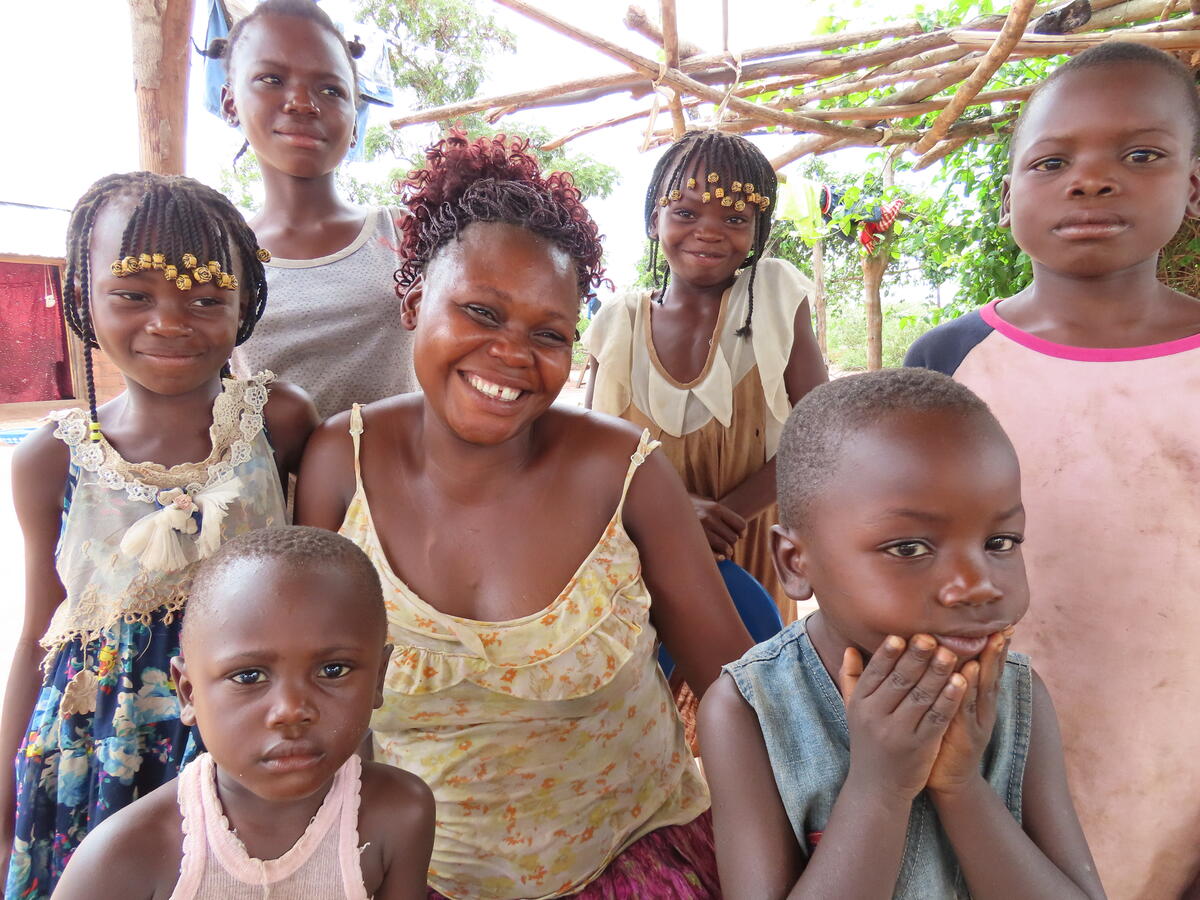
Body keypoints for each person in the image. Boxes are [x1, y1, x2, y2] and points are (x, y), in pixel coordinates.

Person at [296, 131, 753, 899]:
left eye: (549, 334)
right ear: (413, 305)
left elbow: (739, 691)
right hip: (415, 879)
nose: (512, 354)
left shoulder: (623, 472)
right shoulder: (343, 461)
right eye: (481, 311)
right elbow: (307, 695)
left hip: (633, 858)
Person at [903, 42, 1200, 898]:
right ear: (1008, 200)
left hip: (1169, 762)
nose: (1093, 179)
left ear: (1191, 185)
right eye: (1052, 160)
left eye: (1139, 154)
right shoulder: (950, 362)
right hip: (974, 757)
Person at [0, 172, 319, 898]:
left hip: (249, 739)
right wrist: (3, 811)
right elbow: (34, 633)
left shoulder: (280, 425)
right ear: (84, 295)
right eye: (133, 295)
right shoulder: (50, 459)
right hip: (99, 752)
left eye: (206, 298)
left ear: (246, 304)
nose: (169, 322)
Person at [698, 369, 1106, 899]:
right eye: (910, 548)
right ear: (796, 562)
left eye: (1001, 541)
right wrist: (879, 788)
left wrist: (961, 787)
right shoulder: (749, 710)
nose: (977, 585)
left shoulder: (1016, 697)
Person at [52, 526, 436, 899]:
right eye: (249, 676)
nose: (291, 711)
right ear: (189, 693)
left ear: (379, 679)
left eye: (333, 670)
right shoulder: (128, 855)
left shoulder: (399, 813)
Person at [583, 130, 827, 624]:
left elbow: (823, 429)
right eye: (686, 213)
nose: (710, 231)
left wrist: (722, 518)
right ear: (655, 220)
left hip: (750, 547)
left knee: (747, 681)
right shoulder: (616, 324)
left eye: (736, 218)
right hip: (640, 557)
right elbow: (588, 452)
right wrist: (672, 516)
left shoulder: (776, 296)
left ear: (757, 233)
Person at [209, 0, 415, 419]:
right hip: (266, 484)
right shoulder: (218, 255)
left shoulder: (404, 233)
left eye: (330, 89)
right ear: (230, 102)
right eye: (272, 79)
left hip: (396, 481)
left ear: (355, 118)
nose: (302, 102)